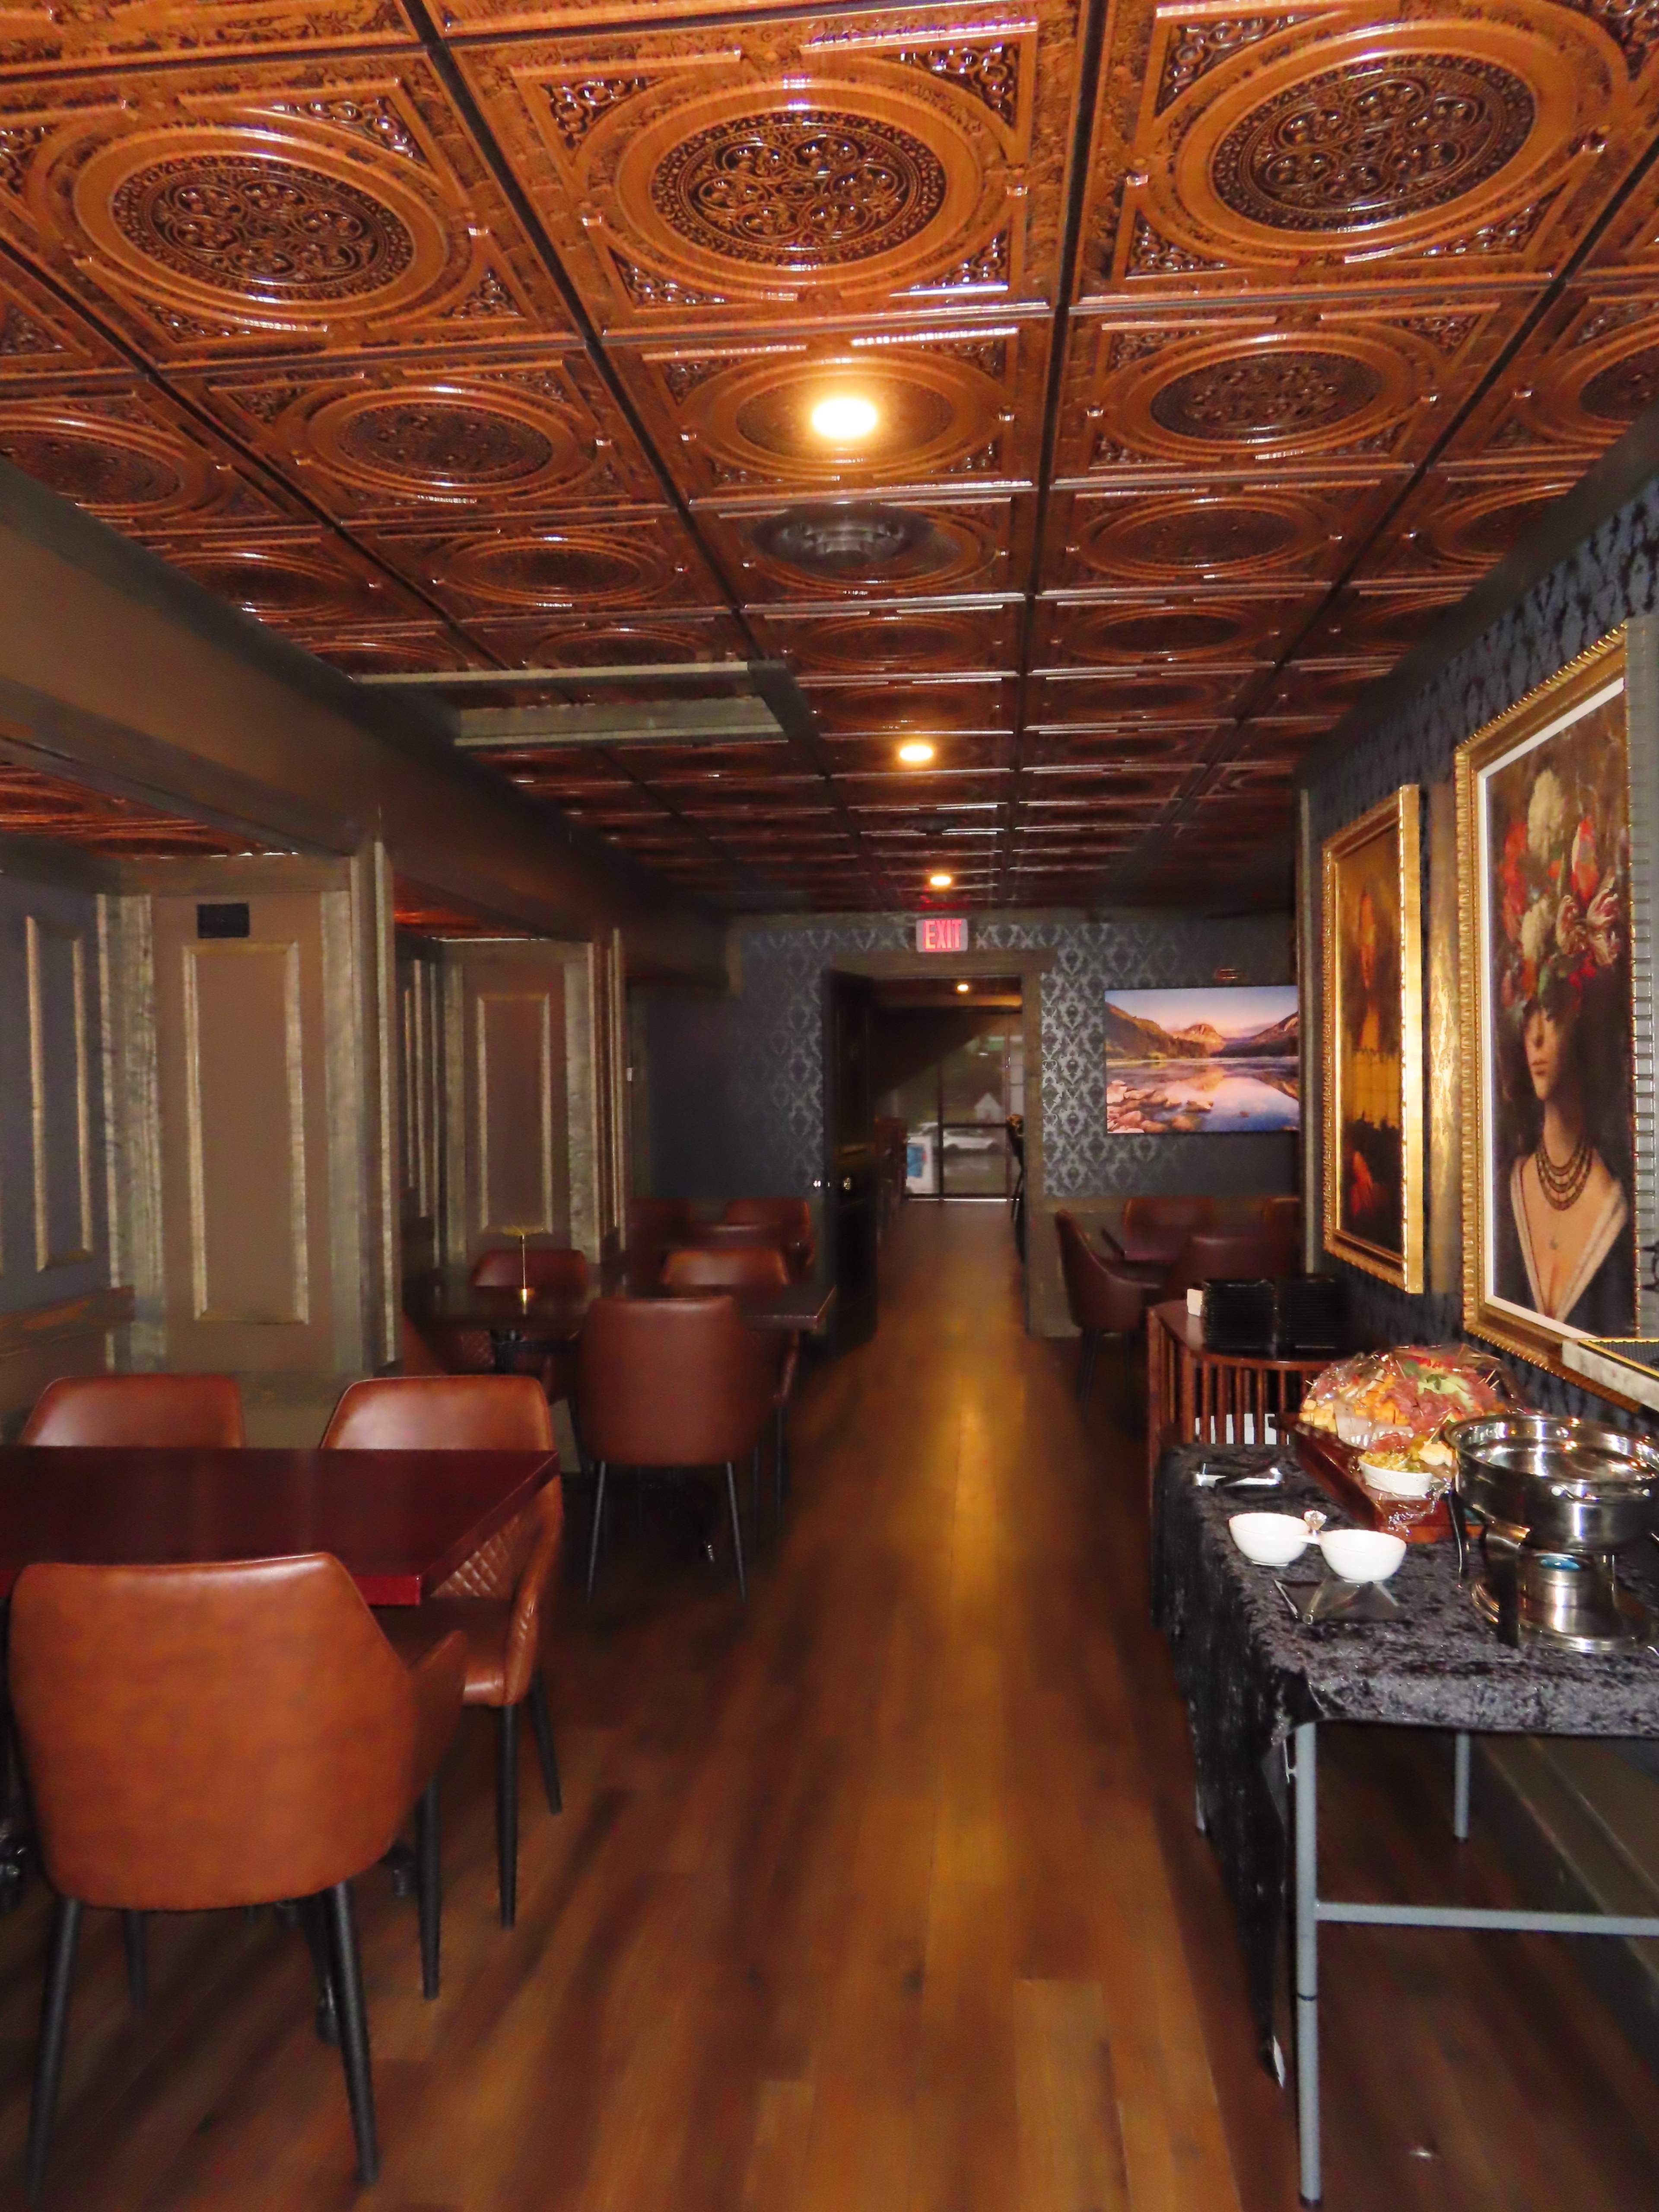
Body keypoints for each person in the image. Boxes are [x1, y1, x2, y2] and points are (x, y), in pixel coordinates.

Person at [1497, 971, 1633, 1330]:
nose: (1537, 1038)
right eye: (1528, 1018)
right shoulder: (1507, 1187)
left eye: (1551, 1013)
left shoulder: (1615, 1201)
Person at [1341, 884, 1402, 1248]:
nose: (1367, 954)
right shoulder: (1348, 1022)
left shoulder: (1405, 1026)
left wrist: (1385, 1184)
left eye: (1374, 938)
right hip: (1359, 1194)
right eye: (1362, 939)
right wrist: (1355, 1162)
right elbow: (1340, 1120)